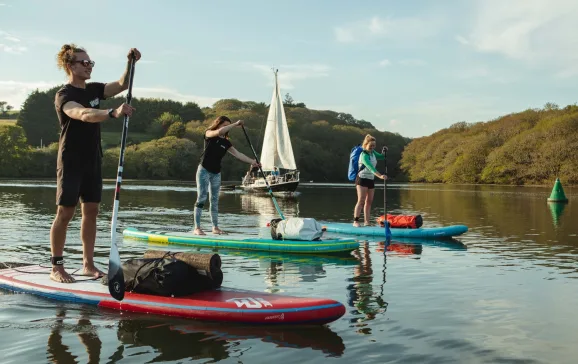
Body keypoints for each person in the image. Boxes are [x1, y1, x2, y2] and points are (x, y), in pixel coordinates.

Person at [50, 43, 142, 283]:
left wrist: (130, 63)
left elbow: (122, 84)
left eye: (91, 62)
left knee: (91, 211)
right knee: (65, 212)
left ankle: (88, 265)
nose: (89, 66)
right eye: (84, 62)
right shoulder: (65, 95)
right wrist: (112, 113)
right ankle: (56, 267)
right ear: (70, 66)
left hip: (93, 158)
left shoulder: (93, 89)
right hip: (70, 159)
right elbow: (82, 114)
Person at [194, 116, 260, 235]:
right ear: (218, 125)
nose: (225, 128)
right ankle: (197, 228)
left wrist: (252, 162)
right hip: (204, 170)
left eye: (226, 126)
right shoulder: (209, 134)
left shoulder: (226, 142)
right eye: (224, 125)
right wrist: (235, 124)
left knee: (214, 200)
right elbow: (219, 132)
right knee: (202, 198)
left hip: (216, 173)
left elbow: (238, 154)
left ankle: (215, 228)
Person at [353, 134, 387, 227]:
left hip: (370, 179)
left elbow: (381, 157)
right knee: (361, 200)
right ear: (365, 145)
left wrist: (384, 152)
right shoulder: (364, 155)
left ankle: (366, 222)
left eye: (374, 146)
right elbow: (370, 167)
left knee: (369, 201)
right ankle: (355, 221)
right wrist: (380, 176)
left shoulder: (373, 152)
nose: (372, 147)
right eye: (370, 145)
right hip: (362, 179)